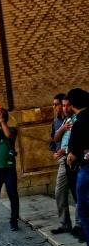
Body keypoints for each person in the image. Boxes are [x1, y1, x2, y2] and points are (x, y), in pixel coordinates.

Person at [66, 88, 89, 246]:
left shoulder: (80, 122)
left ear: (72, 105)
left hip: (86, 170)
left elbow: (73, 152)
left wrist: (71, 157)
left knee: (85, 211)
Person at [54, 94, 78, 235]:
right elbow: (56, 137)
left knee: (77, 192)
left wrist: (66, 150)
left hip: (73, 158)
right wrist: (62, 129)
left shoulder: (77, 119)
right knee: (59, 192)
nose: (64, 108)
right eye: (63, 105)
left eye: (66, 105)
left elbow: (80, 141)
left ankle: (80, 225)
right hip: (63, 160)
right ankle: (65, 224)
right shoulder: (66, 120)